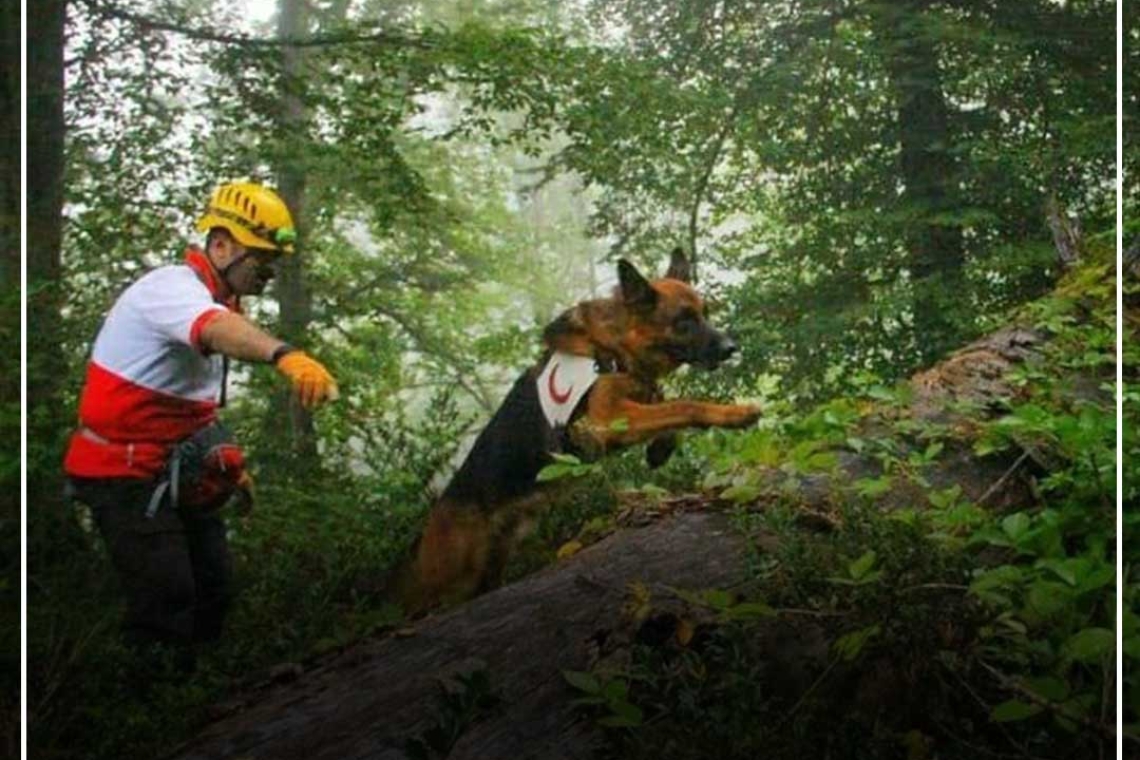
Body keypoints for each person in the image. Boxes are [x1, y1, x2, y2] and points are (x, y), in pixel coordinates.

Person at [63, 181, 338, 661]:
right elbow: (214, 330)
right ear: (220, 245)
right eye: (259, 259)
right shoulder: (173, 290)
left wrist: (230, 465)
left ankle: (203, 699)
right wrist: (284, 355)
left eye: (272, 263)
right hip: (122, 474)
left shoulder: (221, 302)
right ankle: (147, 712)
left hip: (170, 470)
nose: (267, 273)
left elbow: (193, 404)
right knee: (168, 602)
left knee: (215, 590)